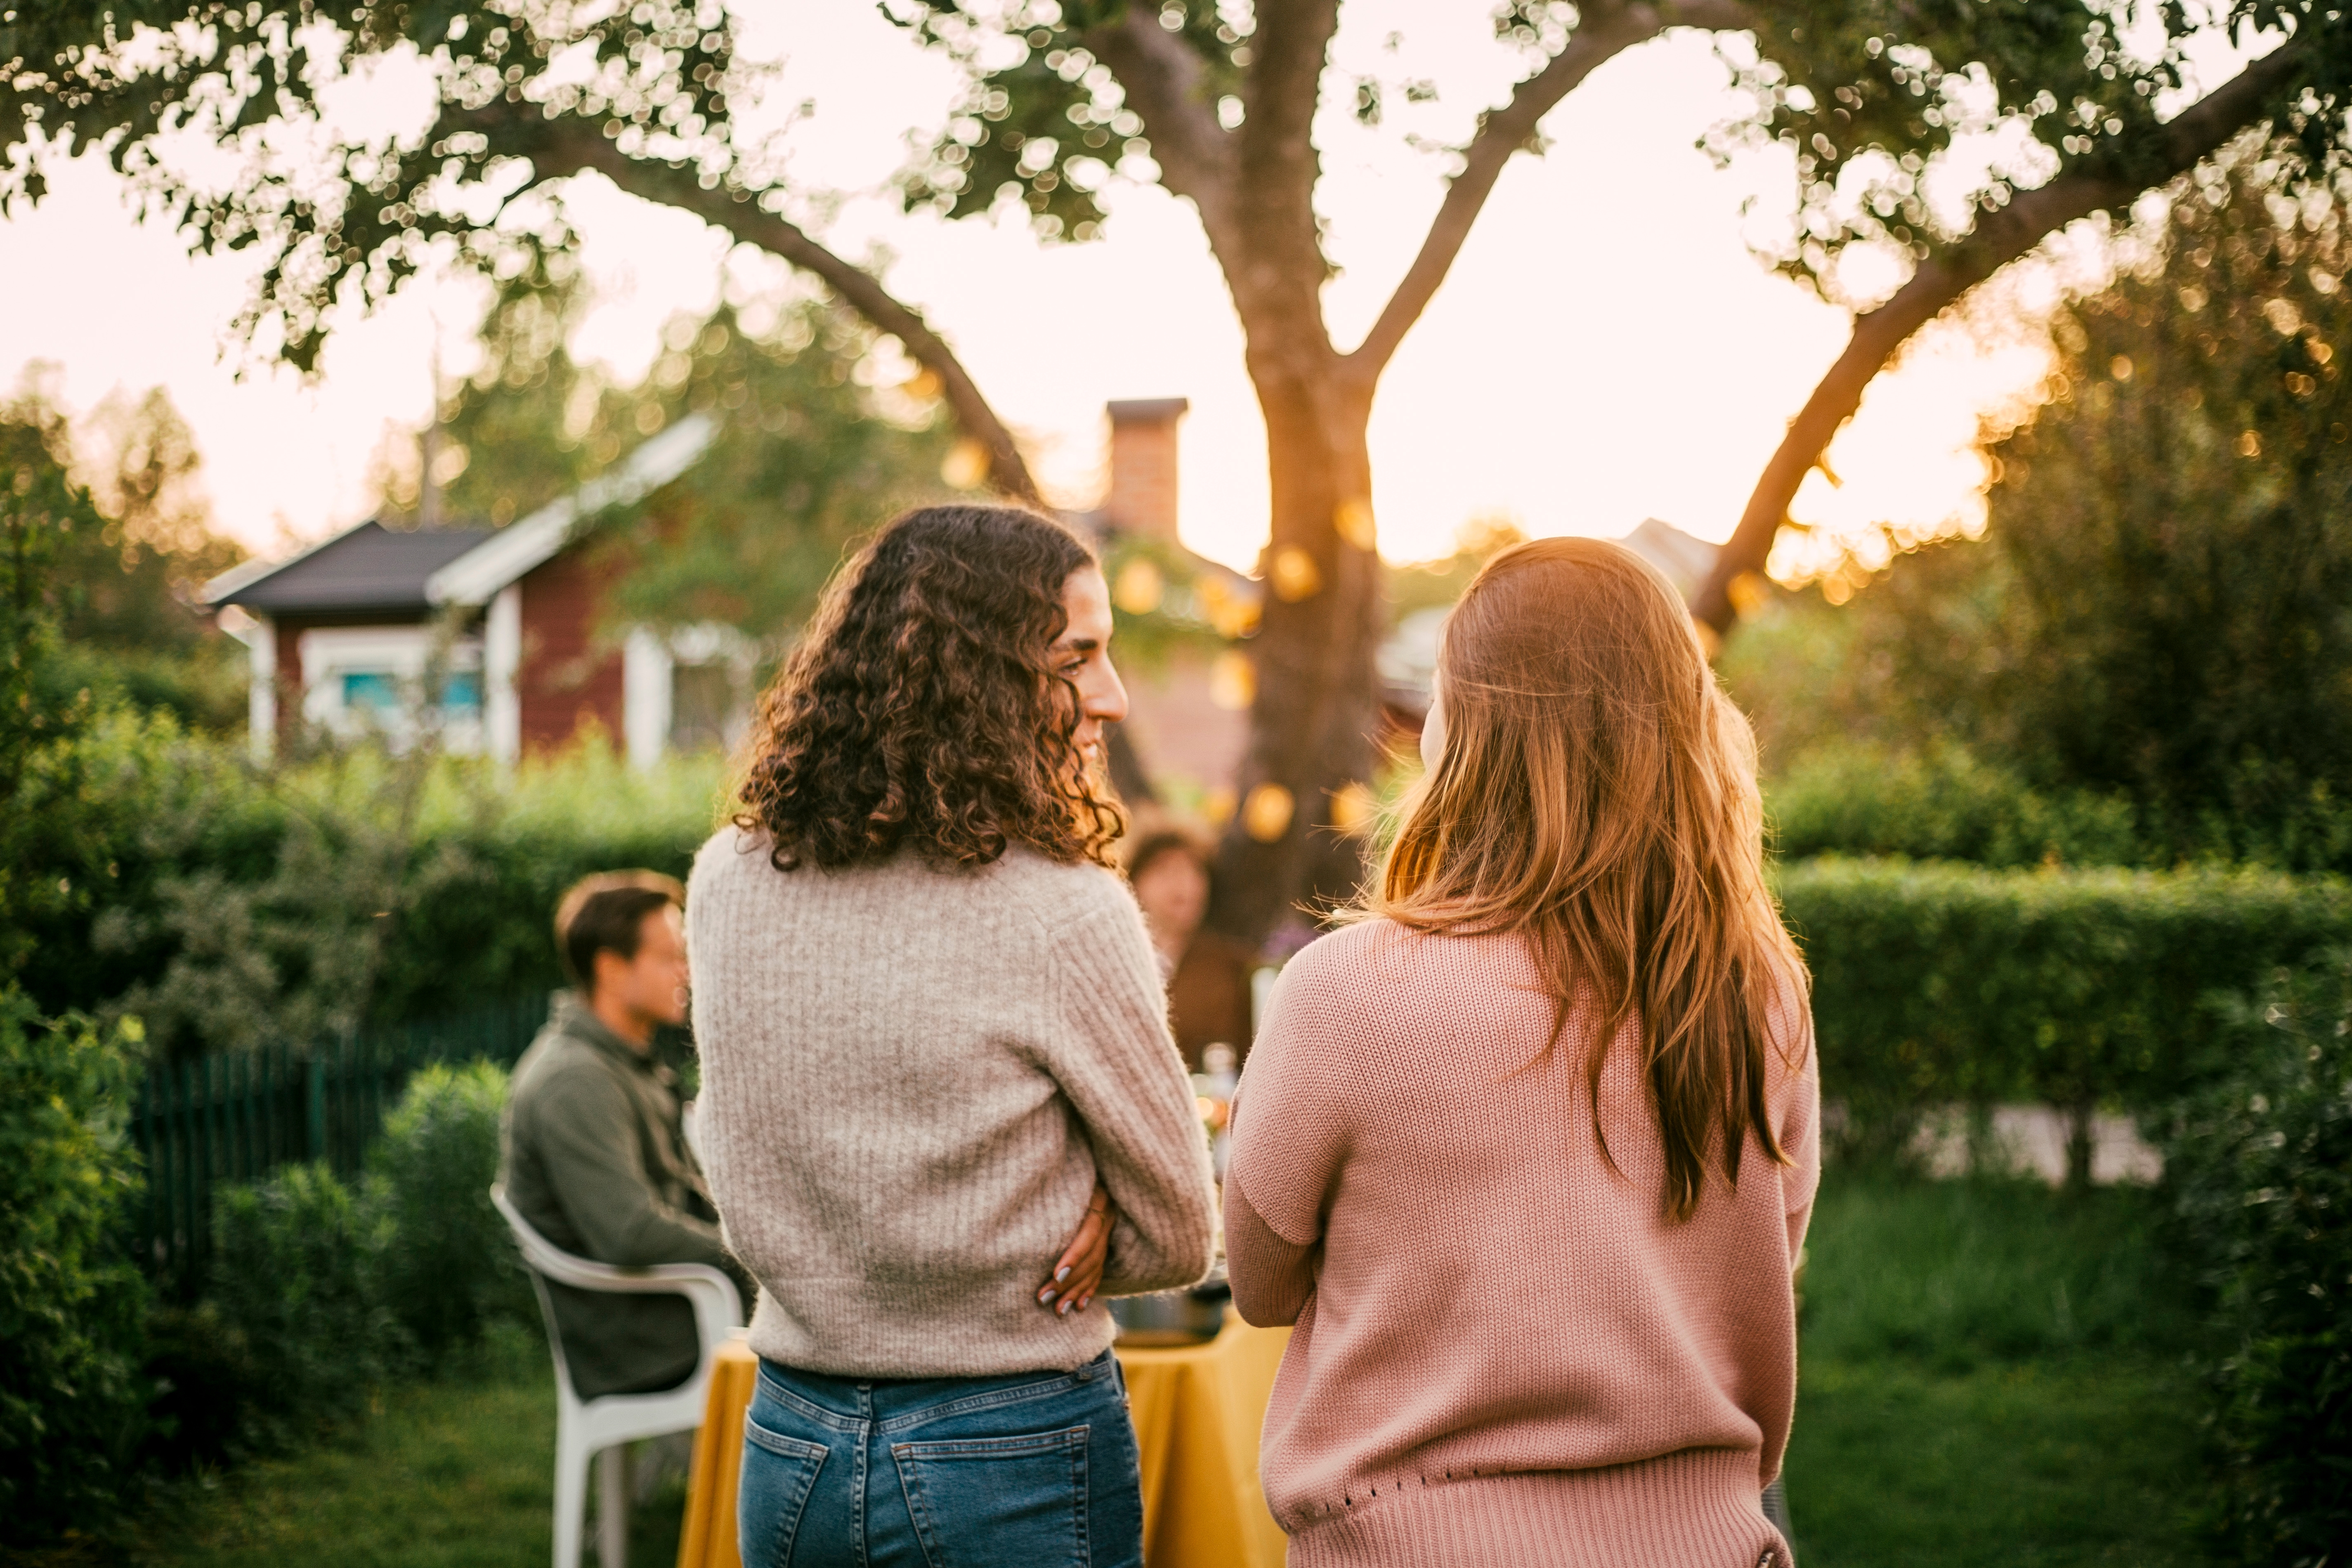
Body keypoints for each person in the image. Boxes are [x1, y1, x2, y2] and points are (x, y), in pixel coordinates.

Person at [1224, 536, 1818, 1568]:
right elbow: (1760, 1259)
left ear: (1465, 726)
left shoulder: (1347, 988)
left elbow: (1262, 1281)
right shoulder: (1756, 989)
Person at [687, 504, 1218, 1568]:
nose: (1111, 694)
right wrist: (1093, 1198)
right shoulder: (1064, 910)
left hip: (792, 1442)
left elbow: (743, 1155)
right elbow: (1180, 1234)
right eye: (1080, 656)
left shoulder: (725, 880)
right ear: (981, 673)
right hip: (1008, 1446)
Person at [502, 871, 744, 1401]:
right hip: (643, 1334)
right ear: (612, 968)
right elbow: (629, 1232)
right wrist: (752, 1255)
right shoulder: (575, 1081)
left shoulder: (621, 1061)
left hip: (672, 1307)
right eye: (669, 956)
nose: (688, 970)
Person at [1125, 827, 1254, 1068]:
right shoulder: (1114, 962)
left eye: (1194, 870)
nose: (1184, 884)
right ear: (1133, 881)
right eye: (1166, 870)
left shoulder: (1232, 966)